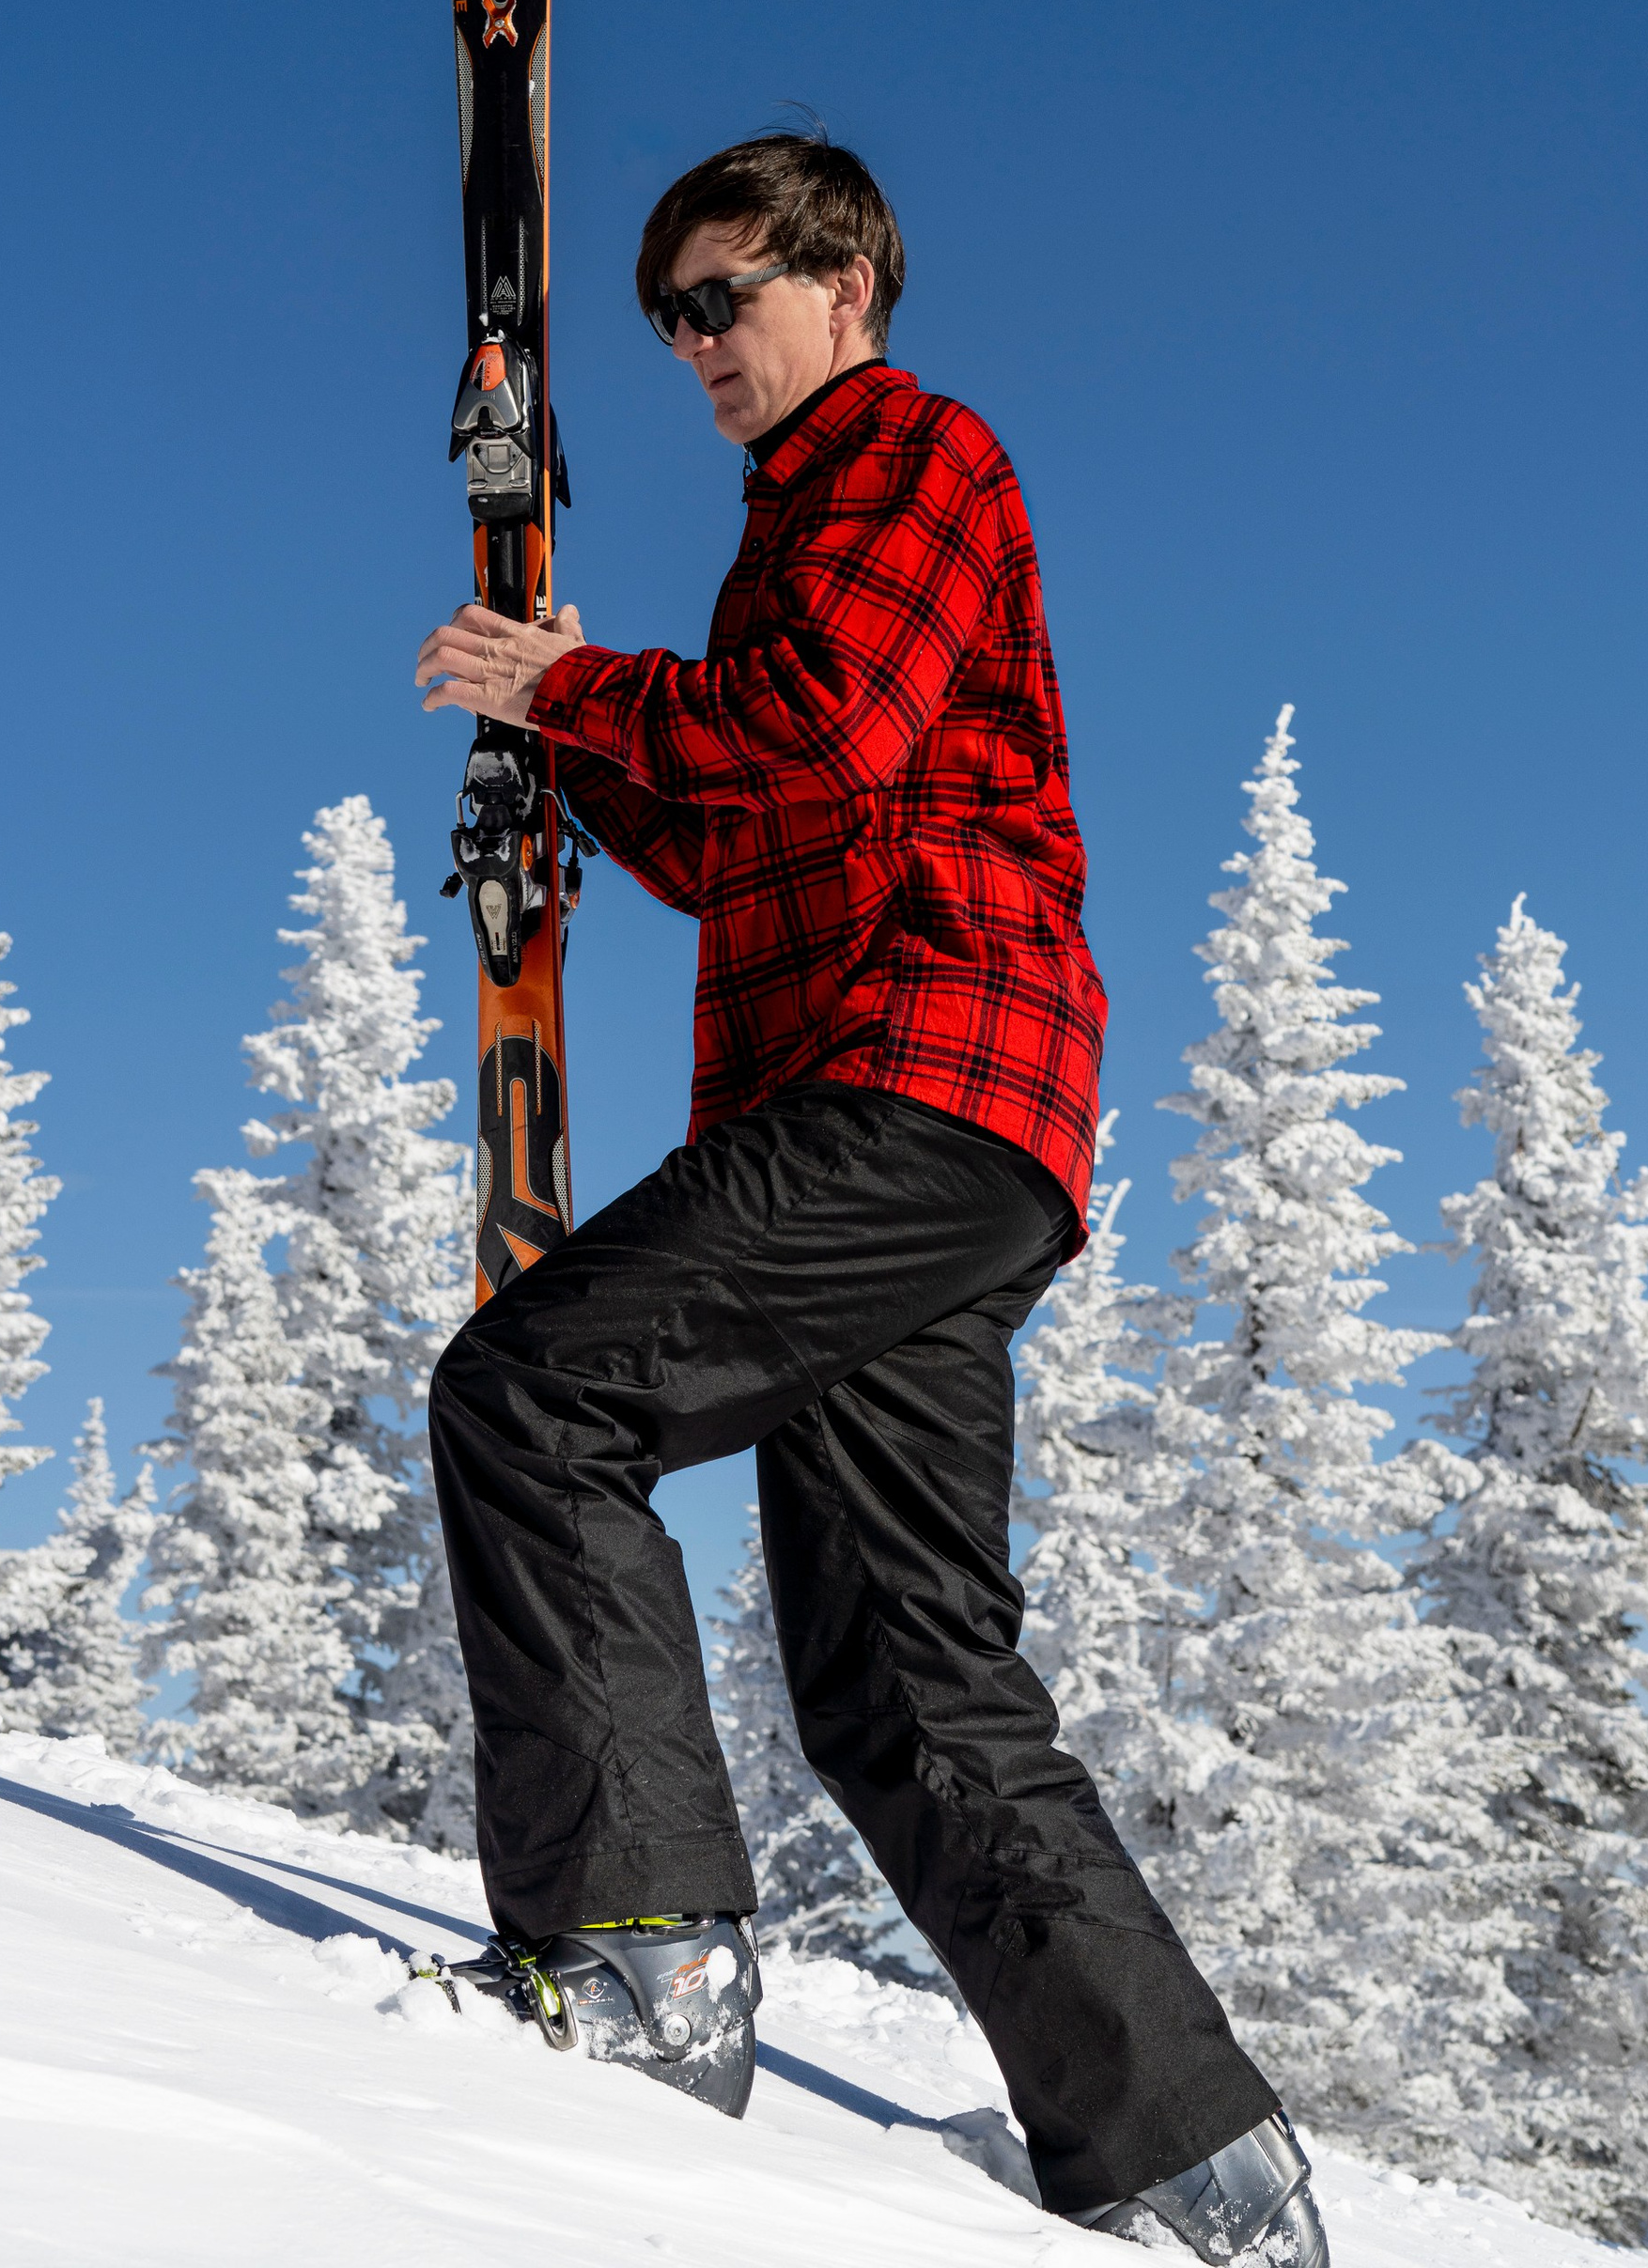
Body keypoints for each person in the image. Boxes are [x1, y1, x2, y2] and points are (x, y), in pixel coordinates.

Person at [414, 132, 1330, 2263]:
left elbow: (812, 732)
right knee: (901, 1673)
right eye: (669, 322)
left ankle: (634, 1956)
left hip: (906, 1085)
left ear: (841, 280)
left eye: (720, 297)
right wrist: (573, 739)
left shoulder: (906, 459)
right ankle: (1190, 2160)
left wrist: (579, 692)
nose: (695, 346)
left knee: (537, 1400)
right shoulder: (801, 534)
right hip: (953, 1132)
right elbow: (745, 827)